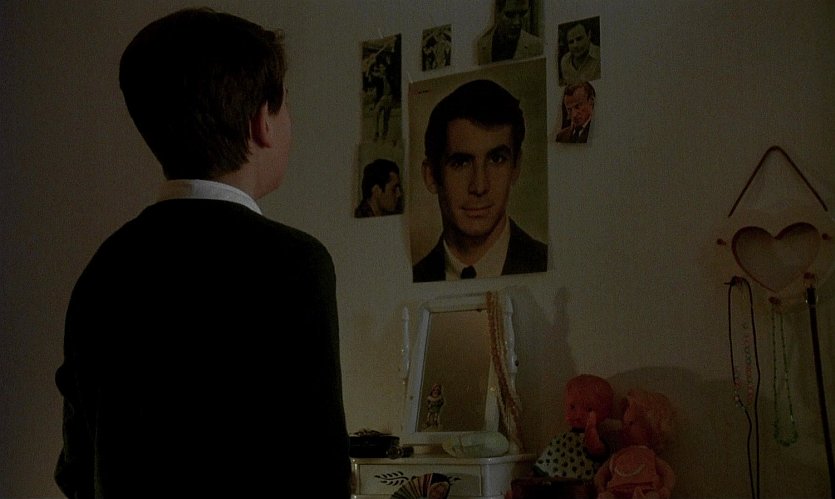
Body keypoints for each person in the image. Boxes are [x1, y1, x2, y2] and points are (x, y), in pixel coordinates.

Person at [54, 8, 351, 498]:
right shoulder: (295, 264)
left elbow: (76, 468)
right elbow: (318, 466)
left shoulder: (104, 269)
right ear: (263, 122)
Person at [412, 79, 548, 282]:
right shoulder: (415, 277)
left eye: (497, 159)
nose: (479, 186)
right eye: (461, 163)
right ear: (431, 175)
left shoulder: (547, 263)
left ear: (516, 167)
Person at [594, 389, 676, 499]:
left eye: (631, 423)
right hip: (616, 491)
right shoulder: (618, 456)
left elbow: (667, 473)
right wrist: (600, 486)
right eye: (624, 424)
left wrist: (666, 489)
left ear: (651, 427)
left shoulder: (649, 456)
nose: (625, 429)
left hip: (645, 490)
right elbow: (602, 473)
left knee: (652, 496)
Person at [532, 374, 614, 481]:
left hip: (580, 483)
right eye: (572, 407)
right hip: (553, 482)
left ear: (604, 414)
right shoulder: (561, 438)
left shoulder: (597, 439)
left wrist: (591, 430)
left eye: (589, 409)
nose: (578, 415)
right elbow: (548, 458)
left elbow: (596, 449)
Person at [477, 0, 543, 65]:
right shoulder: (483, 45)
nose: (516, 22)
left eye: (522, 14)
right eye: (510, 15)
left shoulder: (535, 46)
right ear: (497, 12)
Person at [559, 20, 601, 85]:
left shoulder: (600, 57)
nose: (575, 45)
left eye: (579, 39)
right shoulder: (565, 62)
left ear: (589, 35)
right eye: (571, 42)